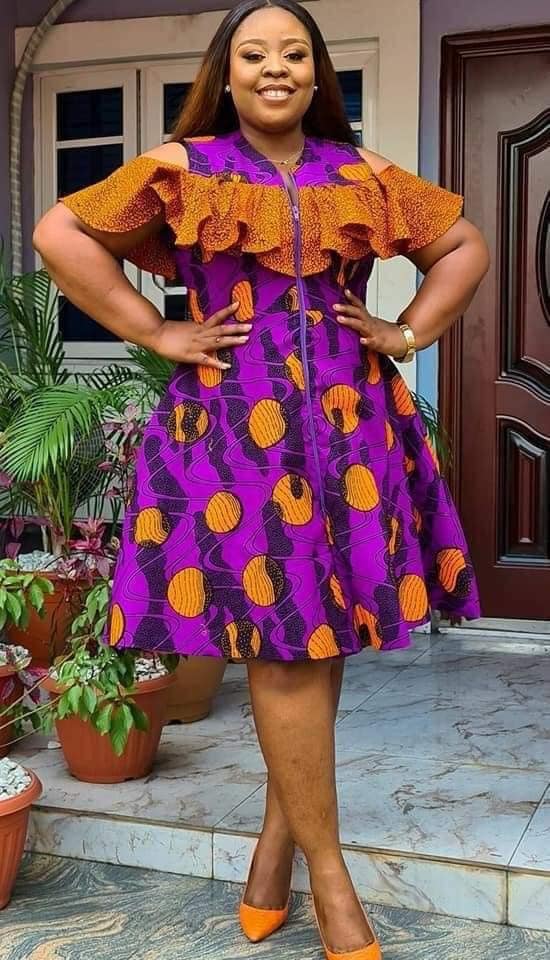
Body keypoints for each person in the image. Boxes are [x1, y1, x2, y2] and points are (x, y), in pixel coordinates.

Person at [33, 1, 489, 956]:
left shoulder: (360, 175)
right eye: (254, 54)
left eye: (293, 53)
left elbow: (463, 246)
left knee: (316, 634)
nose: (275, 68)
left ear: (318, 73)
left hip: (351, 429)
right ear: (227, 73)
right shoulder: (182, 168)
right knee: (284, 645)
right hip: (233, 435)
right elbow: (61, 234)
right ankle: (331, 877)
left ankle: (277, 848)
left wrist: (407, 332)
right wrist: (157, 331)